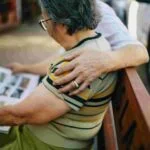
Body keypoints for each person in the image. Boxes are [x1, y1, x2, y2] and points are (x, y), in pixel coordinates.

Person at [0, 0, 118, 149]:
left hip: (43, 144)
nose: (46, 29)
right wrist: (25, 68)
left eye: (45, 21)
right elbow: (55, 63)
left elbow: (19, 115)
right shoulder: (94, 42)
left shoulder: (78, 66)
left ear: (61, 24)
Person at [7, 0, 149, 96]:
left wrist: (102, 61)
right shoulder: (68, 7)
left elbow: (140, 52)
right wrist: (24, 68)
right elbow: (61, 60)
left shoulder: (96, 9)